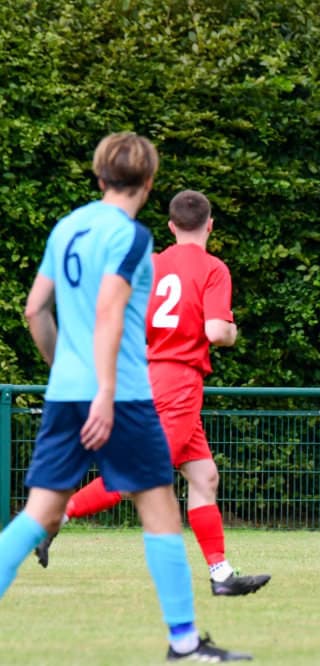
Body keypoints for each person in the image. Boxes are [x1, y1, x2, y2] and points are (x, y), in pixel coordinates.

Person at [0, 132, 249, 661]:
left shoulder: (67, 227)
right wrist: (105, 390)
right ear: (150, 182)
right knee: (160, 513)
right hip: (123, 394)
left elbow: (35, 310)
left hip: (66, 391)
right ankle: (185, 643)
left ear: (99, 176)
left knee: (38, 514)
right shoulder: (133, 238)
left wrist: (66, 372)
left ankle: (198, 615)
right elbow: (111, 310)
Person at [35, 190, 271, 598]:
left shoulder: (153, 263)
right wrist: (231, 331)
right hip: (179, 381)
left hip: (149, 372)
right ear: (210, 225)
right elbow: (217, 332)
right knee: (136, 476)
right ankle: (52, 518)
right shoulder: (213, 268)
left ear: (171, 226)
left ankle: (221, 575)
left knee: (204, 476)